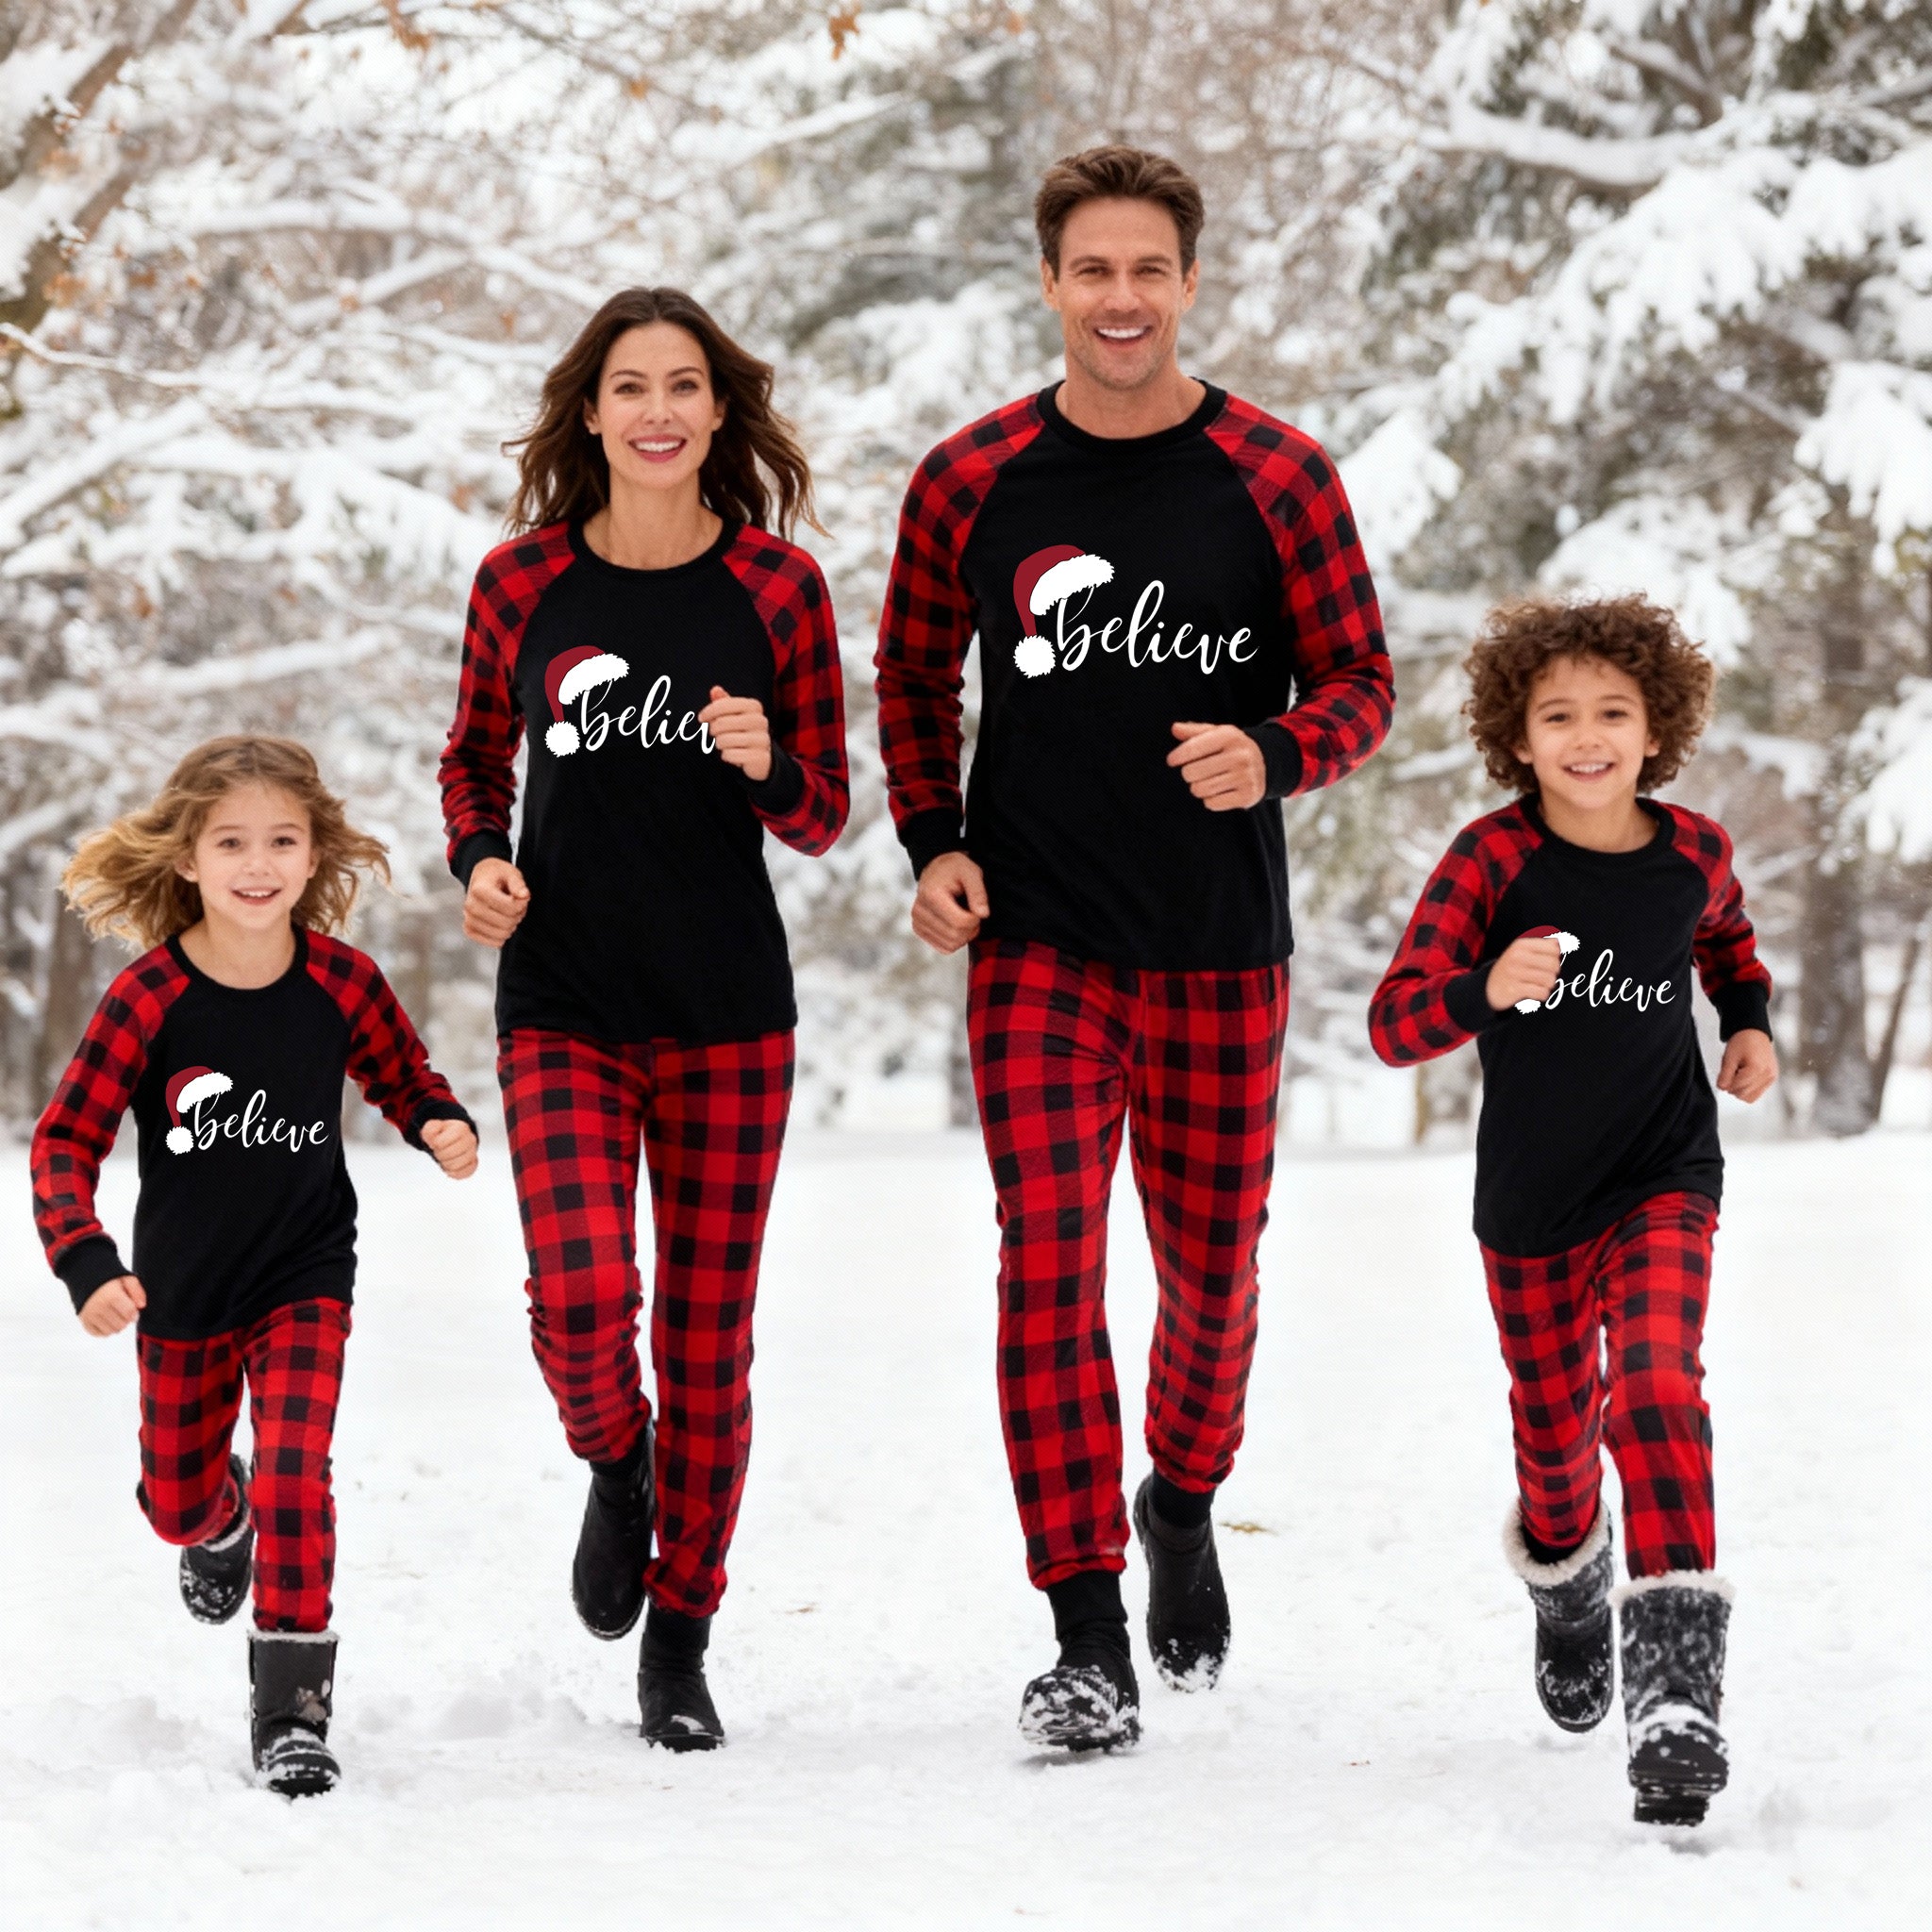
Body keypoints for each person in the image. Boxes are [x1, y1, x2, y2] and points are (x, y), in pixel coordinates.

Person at [874, 145, 1392, 1751]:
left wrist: (1280, 749)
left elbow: (1362, 681)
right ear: (1047, 282)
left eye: (1145, 270)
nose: (1117, 298)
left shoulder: (1275, 473)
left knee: (1211, 1283)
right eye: (1088, 269)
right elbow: (906, 685)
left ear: (1186, 282)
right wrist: (934, 841)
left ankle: (1179, 1495)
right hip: (1033, 936)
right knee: (1045, 1263)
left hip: (1218, 945)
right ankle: (1082, 1626)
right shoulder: (969, 482)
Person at [441, 287, 847, 1751]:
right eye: (631, 386)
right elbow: (474, 758)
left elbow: (824, 817)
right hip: (563, 1000)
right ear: (593, 412)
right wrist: (481, 859)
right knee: (578, 1292)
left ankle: (680, 1638)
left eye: (686, 385)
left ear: (719, 413)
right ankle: (619, 1461)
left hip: (731, 1008)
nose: (659, 409)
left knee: (709, 1334)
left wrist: (765, 763)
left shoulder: (779, 591)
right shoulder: (521, 581)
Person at [1368, 596, 1777, 1825]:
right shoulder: (1494, 861)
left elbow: (1729, 942)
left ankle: (1676, 1697)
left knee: (1656, 1387)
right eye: (1559, 716)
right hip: (1534, 1207)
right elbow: (1396, 1024)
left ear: (1659, 728)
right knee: (1557, 1455)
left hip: (1664, 1174)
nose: (1588, 736)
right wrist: (1486, 985)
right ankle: (1567, 1585)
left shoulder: (1692, 849)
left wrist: (1748, 1022)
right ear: (1518, 734)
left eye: (1614, 711)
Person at [29, 736, 478, 1797]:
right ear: (186, 856)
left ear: (315, 850)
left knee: (295, 1469)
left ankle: (293, 1712)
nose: (257, 861)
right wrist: (86, 1258)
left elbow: (399, 1068)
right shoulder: (148, 997)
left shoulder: (342, 980)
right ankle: (215, 1519)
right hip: (180, 1288)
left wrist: (435, 1117)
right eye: (229, 840)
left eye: (282, 838)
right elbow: (63, 1141)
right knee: (175, 1502)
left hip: (304, 1271)